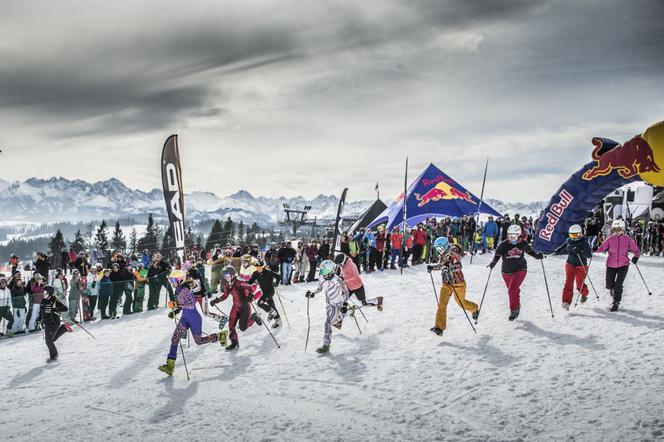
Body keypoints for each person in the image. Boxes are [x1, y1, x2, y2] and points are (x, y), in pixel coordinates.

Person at [158, 276, 227, 376]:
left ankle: (221, 336)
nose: (171, 282)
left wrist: (176, 305)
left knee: (199, 341)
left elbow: (190, 305)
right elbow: (183, 304)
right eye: (170, 280)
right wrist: (175, 311)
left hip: (194, 319)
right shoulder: (178, 290)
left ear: (179, 280)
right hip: (185, 318)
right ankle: (170, 366)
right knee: (175, 339)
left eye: (173, 280)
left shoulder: (185, 290)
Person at [488, 224, 544, 321]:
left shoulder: (523, 243)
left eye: (514, 235)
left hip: (520, 269)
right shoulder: (503, 244)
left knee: (512, 289)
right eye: (510, 235)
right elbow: (497, 255)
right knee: (513, 290)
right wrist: (493, 263)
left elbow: (529, 251)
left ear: (518, 235)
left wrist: (537, 256)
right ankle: (517, 306)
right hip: (506, 271)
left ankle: (513, 310)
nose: (511, 237)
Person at [428, 237, 479, 336]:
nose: (439, 250)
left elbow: (458, 266)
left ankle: (474, 308)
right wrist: (432, 267)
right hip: (447, 283)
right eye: (437, 248)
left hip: (457, 283)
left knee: (461, 303)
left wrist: (449, 269)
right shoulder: (442, 255)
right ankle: (439, 327)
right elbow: (442, 265)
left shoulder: (453, 253)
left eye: (441, 248)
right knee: (442, 304)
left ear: (446, 245)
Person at [210, 266, 261, 351]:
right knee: (231, 326)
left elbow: (251, 288)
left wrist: (250, 295)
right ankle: (234, 343)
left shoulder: (239, 282)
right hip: (236, 307)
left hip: (244, 307)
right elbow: (225, 295)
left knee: (243, 328)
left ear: (232, 274)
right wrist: (216, 300)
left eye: (227, 275)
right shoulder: (228, 285)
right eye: (224, 275)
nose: (226, 277)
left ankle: (253, 317)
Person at [306, 260, 349, 354]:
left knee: (331, 322)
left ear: (331, 271)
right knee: (329, 323)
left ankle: (346, 313)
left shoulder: (338, 279)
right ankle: (326, 345)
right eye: (321, 271)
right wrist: (313, 293)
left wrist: (345, 304)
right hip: (329, 304)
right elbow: (319, 289)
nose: (322, 273)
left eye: (324, 271)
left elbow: (346, 292)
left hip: (339, 303)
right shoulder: (321, 278)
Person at [596, 219, 640, 312]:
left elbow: (636, 250)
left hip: (623, 264)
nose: (617, 231)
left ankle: (616, 302)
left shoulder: (627, 239)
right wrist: (594, 248)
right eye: (615, 229)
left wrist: (636, 257)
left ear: (623, 230)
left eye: (619, 229)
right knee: (609, 284)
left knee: (619, 285)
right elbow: (601, 248)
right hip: (611, 264)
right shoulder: (610, 239)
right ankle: (613, 290)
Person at [553, 224, 592, 310]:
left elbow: (589, 255)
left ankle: (584, 293)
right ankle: (566, 302)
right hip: (570, 264)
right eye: (571, 235)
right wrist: (558, 250)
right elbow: (564, 245)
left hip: (581, 265)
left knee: (579, 284)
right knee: (568, 283)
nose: (573, 237)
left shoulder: (584, 242)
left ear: (580, 234)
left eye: (575, 235)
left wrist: (581, 251)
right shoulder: (569, 240)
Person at [40, 285, 71, 363]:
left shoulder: (54, 301)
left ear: (50, 293)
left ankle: (53, 356)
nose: (43, 294)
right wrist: (40, 319)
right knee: (51, 340)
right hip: (47, 323)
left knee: (48, 341)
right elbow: (42, 311)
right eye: (43, 292)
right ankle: (64, 328)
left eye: (45, 292)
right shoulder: (43, 301)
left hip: (54, 323)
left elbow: (65, 308)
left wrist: (56, 309)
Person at [248, 260, 282, 328]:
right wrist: (242, 284)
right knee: (272, 306)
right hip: (264, 292)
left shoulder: (268, 272)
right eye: (257, 267)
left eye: (260, 267)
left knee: (260, 303)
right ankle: (278, 320)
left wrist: (276, 283)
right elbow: (250, 282)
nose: (258, 268)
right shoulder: (255, 273)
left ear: (263, 266)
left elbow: (278, 276)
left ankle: (271, 312)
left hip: (270, 291)